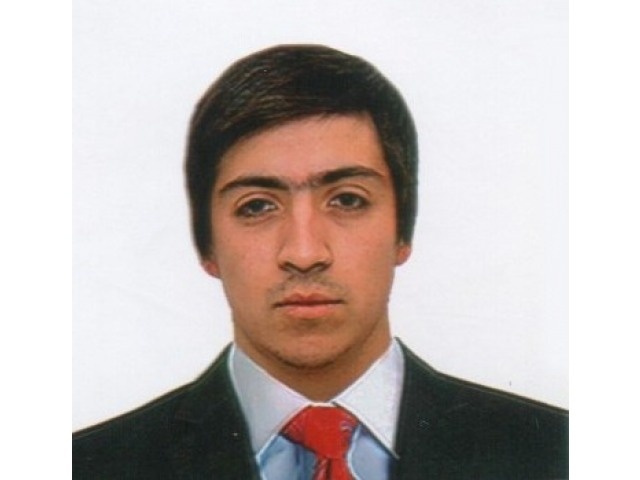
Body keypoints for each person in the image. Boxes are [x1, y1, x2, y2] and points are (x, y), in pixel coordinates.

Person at [73, 44, 568, 479]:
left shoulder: (557, 455)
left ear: (403, 232)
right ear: (207, 246)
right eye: (257, 207)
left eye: (348, 200)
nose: (304, 253)